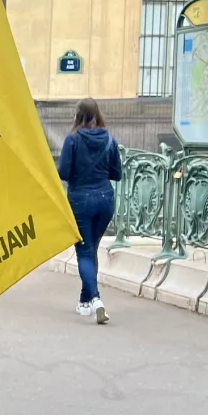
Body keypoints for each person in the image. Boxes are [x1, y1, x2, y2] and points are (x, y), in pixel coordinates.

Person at [57, 98, 123, 324]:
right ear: (98, 115)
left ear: (77, 115)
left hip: (80, 201)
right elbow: (117, 174)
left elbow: (64, 173)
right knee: (92, 248)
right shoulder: (110, 140)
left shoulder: (72, 140)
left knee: (84, 252)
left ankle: (95, 299)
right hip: (105, 200)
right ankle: (84, 301)